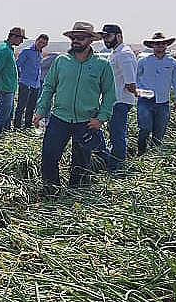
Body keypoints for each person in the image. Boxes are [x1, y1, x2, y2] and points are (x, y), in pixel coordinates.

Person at [32, 22, 115, 191]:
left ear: (90, 40)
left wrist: (101, 118)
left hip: (86, 122)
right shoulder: (61, 61)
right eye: (73, 38)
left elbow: (110, 94)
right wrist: (40, 110)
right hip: (59, 118)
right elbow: (49, 87)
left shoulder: (102, 65)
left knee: (81, 163)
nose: (76, 41)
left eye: (80, 38)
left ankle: (75, 197)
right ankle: (51, 192)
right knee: (48, 156)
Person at [134, 31, 176, 154]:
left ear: (166, 45)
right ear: (152, 46)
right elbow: (135, 77)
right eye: (157, 44)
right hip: (145, 101)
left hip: (163, 102)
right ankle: (141, 152)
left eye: (162, 43)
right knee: (144, 128)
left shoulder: (173, 63)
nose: (160, 46)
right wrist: (139, 90)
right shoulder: (143, 61)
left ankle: (154, 157)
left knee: (159, 132)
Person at [100, 24, 137, 170]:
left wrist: (137, 92)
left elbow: (130, 82)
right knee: (114, 133)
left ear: (119, 36)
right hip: (114, 101)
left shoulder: (124, 54)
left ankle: (117, 166)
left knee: (117, 135)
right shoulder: (116, 53)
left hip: (120, 101)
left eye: (108, 36)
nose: (105, 40)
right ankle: (112, 161)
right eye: (104, 37)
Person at [0, 27, 24, 133]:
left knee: (8, 114)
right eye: (21, 38)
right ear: (14, 37)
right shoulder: (5, 50)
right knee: (3, 114)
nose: (22, 41)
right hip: (5, 88)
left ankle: (5, 135)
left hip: (9, 87)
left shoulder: (8, 49)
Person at [14, 33, 49, 129]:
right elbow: (17, 64)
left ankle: (27, 127)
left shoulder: (39, 53)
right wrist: (21, 76)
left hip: (36, 85)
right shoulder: (27, 51)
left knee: (31, 108)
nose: (41, 45)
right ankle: (16, 127)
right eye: (40, 42)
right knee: (21, 107)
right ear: (36, 40)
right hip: (25, 83)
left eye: (44, 44)